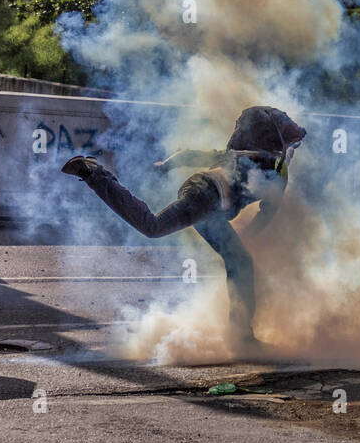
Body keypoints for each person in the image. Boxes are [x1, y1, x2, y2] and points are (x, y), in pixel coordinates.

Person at [61, 106, 307, 346]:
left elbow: (193, 155)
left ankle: (242, 336)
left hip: (212, 211)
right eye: (291, 144)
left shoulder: (255, 161)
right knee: (153, 227)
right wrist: (167, 165)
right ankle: (94, 172)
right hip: (204, 196)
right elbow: (266, 212)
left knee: (241, 263)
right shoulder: (262, 162)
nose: (291, 149)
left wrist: (169, 164)